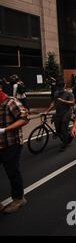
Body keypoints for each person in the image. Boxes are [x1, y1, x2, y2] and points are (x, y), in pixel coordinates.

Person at [0, 83, 29, 213]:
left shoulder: (11, 102)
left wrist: (5, 129)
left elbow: (24, 119)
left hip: (11, 144)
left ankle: (19, 198)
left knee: (12, 171)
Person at [45, 81, 75, 151]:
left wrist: (63, 101)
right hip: (58, 112)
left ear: (64, 86)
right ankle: (68, 135)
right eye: (58, 87)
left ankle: (64, 144)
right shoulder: (56, 94)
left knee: (63, 128)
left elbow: (73, 103)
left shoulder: (69, 93)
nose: (59, 88)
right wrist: (47, 111)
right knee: (58, 130)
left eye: (60, 86)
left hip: (66, 112)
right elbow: (53, 103)